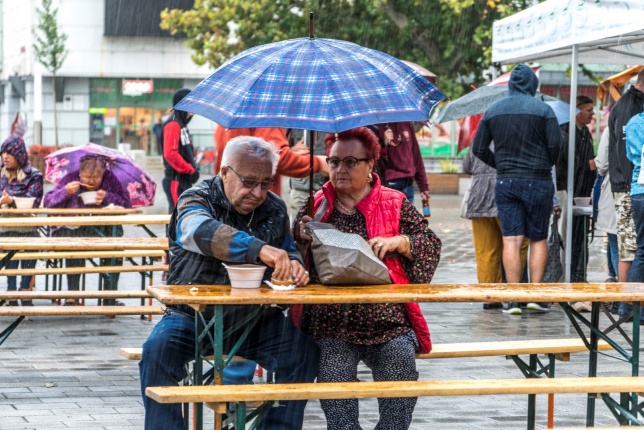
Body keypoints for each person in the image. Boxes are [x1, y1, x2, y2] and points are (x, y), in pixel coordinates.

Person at [139, 135, 320, 430]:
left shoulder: (274, 209)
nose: (258, 192)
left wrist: (294, 265)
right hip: (193, 316)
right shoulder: (196, 198)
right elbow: (197, 230)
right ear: (224, 172)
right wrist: (259, 249)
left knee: (303, 354)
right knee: (156, 353)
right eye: (249, 181)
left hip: (254, 319)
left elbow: (286, 251)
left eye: (265, 183)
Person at [293, 127, 440, 429]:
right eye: (333, 162)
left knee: (400, 370)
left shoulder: (395, 202)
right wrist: (300, 236)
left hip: (387, 323)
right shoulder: (317, 204)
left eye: (350, 162)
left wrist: (401, 242)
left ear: (371, 164)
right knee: (335, 382)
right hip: (332, 325)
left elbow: (430, 243)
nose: (339, 169)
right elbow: (294, 264)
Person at [472, 64, 563, 315]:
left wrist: (501, 165)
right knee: (538, 237)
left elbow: (478, 149)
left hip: (506, 181)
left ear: (510, 85)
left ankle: (512, 298)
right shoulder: (543, 110)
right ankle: (534, 295)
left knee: (511, 238)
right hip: (539, 180)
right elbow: (556, 146)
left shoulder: (492, 110)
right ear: (533, 86)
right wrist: (543, 164)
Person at [43, 155, 132, 305]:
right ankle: (73, 294)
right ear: (80, 173)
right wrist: (65, 191)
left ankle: (109, 295)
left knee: (115, 245)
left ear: (102, 173)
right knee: (75, 243)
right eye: (87, 177)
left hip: (101, 229)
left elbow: (127, 203)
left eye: (96, 177)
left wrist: (108, 197)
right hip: (71, 229)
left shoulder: (109, 178)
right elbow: (48, 202)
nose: (91, 181)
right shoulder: (70, 178)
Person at [462, 147, 529, 310]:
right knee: (518, 245)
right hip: (507, 195)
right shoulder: (517, 138)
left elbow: (466, 167)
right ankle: (514, 293)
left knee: (486, 251)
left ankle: (490, 298)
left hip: (479, 199)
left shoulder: (479, 139)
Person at [608, 70, 644, 320]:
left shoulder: (629, 108)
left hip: (632, 187)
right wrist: (629, 183)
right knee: (632, 250)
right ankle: (627, 305)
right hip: (630, 187)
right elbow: (626, 153)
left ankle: (630, 306)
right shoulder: (630, 107)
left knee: (636, 249)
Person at [214, 126, 328, 197]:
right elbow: (279, 157)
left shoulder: (227, 120)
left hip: (228, 196)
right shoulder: (264, 111)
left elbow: (248, 151)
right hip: (255, 201)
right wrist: (318, 163)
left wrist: (289, 151)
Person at [556, 95, 597, 286]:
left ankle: (579, 275)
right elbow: (565, 164)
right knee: (566, 234)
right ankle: (567, 275)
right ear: (577, 110)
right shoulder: (565, 132)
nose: (593, 114)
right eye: (589, 110)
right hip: (567, 190)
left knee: (581, 234)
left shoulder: (586, 133)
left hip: (583, 193)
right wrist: (588, 165)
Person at [0, 135, 43, 306]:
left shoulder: (34, 175)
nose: (5, 157)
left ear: (19, 154)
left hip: (27, 227)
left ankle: (25, 289)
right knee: (9, 243)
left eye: (9, 153)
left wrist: (11, 201)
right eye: (3, 153)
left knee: (30, 243)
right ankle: (11, 290)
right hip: (4, 226)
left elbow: (35, 199)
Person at [161, 88, 199, 214]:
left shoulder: (181, 125)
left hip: (182, 180)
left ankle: (176, 234)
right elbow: (170, 154)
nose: (193, 109)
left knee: (183, 214)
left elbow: (184, 150)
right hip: (175, 179)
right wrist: (189, 168)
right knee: (178, 215)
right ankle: (172, 235)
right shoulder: (173, 124)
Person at [373, 122, 430, 204]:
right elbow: (374, 159)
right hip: (389, 185)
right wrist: (383, 143)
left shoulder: (407, 125)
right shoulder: (377, 127)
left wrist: (423, 186)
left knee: (408, 216)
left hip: (408, 185)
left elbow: (416, 157)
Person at [286, 129, 328, 216]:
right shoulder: (296, 124)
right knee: (297, 226)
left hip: (325, 189)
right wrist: (291, 150)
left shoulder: (331, 125)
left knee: (322, 226)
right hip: (300, 188)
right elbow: (279, 151)